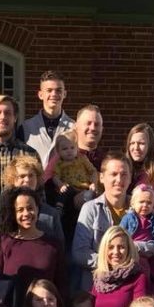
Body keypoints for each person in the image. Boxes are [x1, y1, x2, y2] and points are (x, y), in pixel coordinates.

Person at [0, 186, 68, 304]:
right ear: (13, 213)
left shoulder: (53, 245)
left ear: (38, 209)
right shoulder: (4, 243)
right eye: (20, 210)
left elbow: (61, 285)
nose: (26, 213)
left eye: (30, 208)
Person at [72, 152, 133, 291]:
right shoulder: (91, 209)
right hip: (97, 288)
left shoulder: (140, 210)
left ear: (130, 178)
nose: (119, 179)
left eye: (124, 174)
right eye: (113, 174)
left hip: (132, 286)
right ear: (101, 177)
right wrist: (112, 264)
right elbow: (80, 253)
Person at [45, 104, 104, 244]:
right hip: (68, 232)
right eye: (88, 123)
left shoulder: (105, 160)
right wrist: (71, 200)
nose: (93, 128)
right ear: (76, 127)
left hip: (97, 235)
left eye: (97, 124)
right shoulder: (59, 156)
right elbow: (47, 185)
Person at [0, 155, 65, 246]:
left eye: (31, 175)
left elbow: (59, 248)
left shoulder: (51, 214)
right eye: (22, 176)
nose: (27, 180)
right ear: (12, 180)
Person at [120, 184, 154, 298]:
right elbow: (121, 233)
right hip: (133, 252)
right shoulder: (128, 218)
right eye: (141, 202)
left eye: (149, 203)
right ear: (133, 203)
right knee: (139, 269)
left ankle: (149, 290)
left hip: (150, 250)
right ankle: (139, 291)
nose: (145, 205)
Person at [20, 70, 74, 167]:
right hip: (35, 181)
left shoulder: (74, 127)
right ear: (40, 95)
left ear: (64, 94)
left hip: (65, 181)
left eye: (58, 90)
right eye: (49, 90)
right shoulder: (26, 128)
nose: (54, 94)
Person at [51, 131, 98, 201]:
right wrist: (60, 185)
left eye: (72, 148)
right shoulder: (59, 164)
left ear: (77, 148)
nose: (69, 151)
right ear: (58, 152)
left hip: (84, 187)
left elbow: (93, 171)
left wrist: (93, 183)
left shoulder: (82, 159)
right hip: (70, 188)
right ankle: (59, 208)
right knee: (62, 194)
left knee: (90, 195)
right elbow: (55, 176)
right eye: (65, 149)